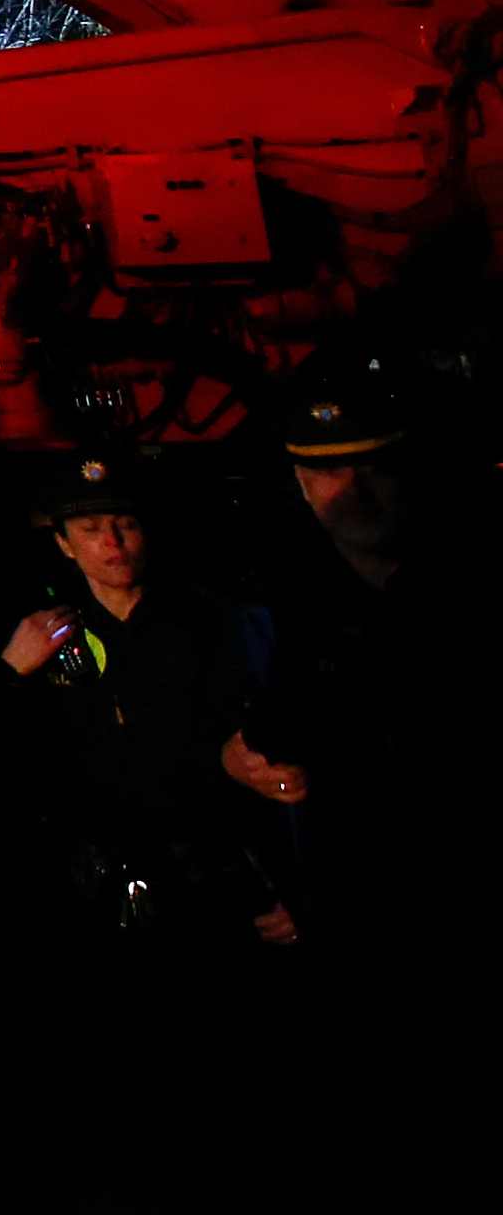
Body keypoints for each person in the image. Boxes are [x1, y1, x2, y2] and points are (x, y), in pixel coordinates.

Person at [0, 453, 284, 1178]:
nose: (112, 541)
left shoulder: (206, 621)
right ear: (63, 542)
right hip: (96, 896)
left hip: (208, 881)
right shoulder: (43, 632)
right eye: (90, 526)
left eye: (125, 523)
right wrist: (8, 672)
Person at [234, 357, 488, 1046]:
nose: (354, 492)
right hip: (362, 918)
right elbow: (264, 738)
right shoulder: (288, 607)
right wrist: (243, 759)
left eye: (372, 469)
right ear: (302, 486)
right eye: (330, 473)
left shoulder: (467, 585)